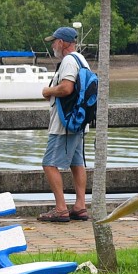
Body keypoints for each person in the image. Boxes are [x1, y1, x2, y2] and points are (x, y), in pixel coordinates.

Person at [38, 26, 89, 222]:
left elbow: (67, 88)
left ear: (63, 43)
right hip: (78, 122)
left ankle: (60, 208)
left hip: (64, 123)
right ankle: (80, 206)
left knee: (49, 164)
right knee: (77, 163)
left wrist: (48, 91)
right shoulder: (81, 59)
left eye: (55, 41)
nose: (53, 45)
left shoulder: (68, 61)